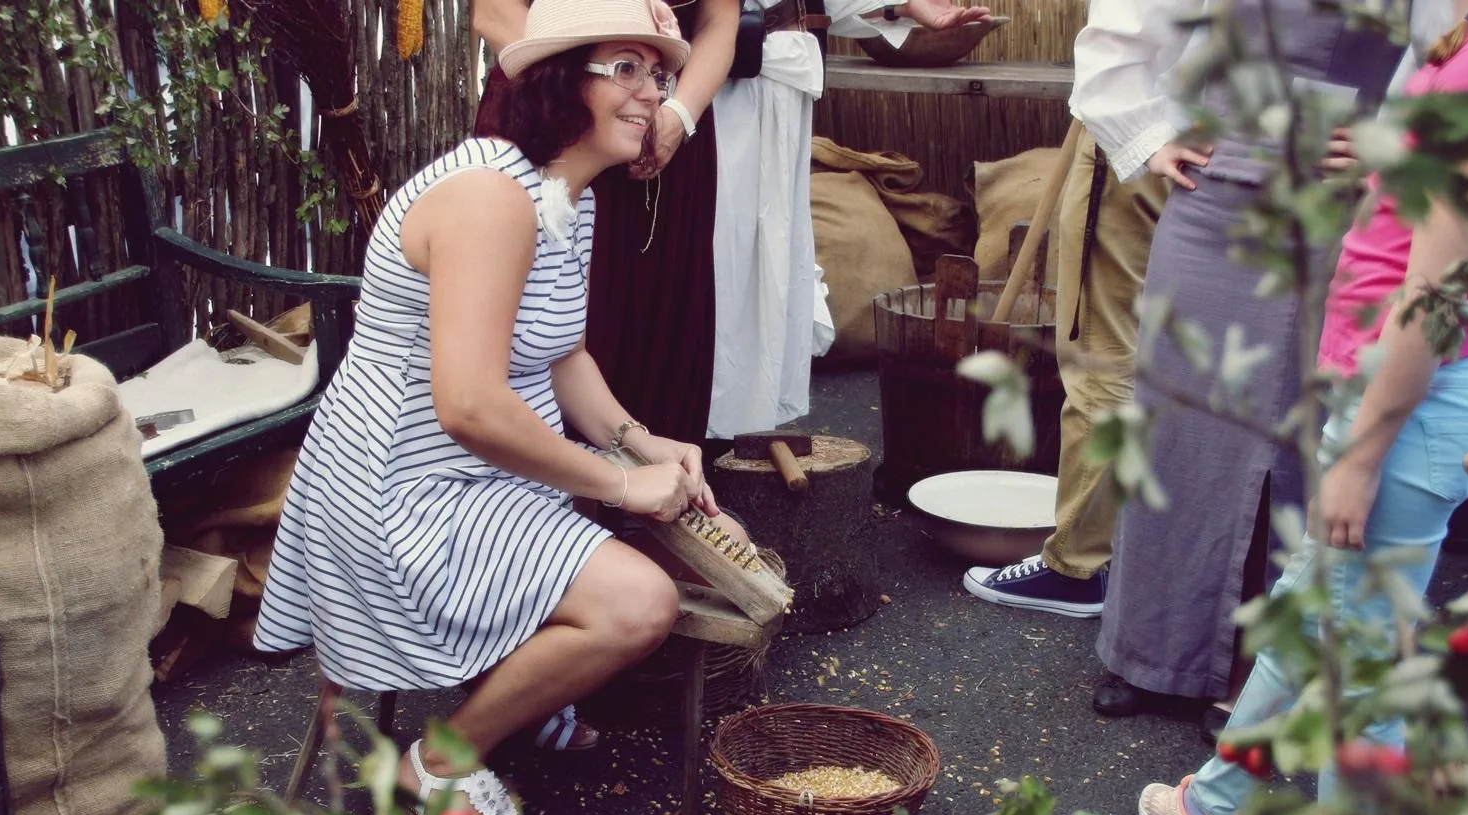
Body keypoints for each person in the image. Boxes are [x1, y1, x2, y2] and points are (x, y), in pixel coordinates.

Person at [254, 0, 739, 815]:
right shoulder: (488, 197)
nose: (652, 94)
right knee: (638, 603)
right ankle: (440, 764)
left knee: (597, 534)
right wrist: (624, 485)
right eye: (625, 68)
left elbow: (563, 361)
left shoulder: (564, 196)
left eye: (658, 75)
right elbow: (471, 407)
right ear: (560, 80)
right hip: (397, 490)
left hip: (469, 473)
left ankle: (517, 700)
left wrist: (640, 441)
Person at [1137, 0, 1468, 815]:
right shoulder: (1464, 36)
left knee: (1359, 670)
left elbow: (1435, 296)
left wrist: (1364, 453)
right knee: (1317, 599)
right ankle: (1216, 802)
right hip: (1410, 389)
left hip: (1412, 397)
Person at [1046, 0, 1403, 729]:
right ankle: (1147, 653)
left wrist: (1391, 140)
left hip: (1342, 208)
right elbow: (1126, 25)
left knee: (1296, 437)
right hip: (1215, 198)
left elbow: (1455, 62)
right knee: (1179, 426)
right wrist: (1150, 134)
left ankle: (1259, 671)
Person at [960, 0, 1170, 622]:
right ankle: (1160, 553)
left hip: (1147, 133)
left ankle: (1077, 565)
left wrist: (1128, 127)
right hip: (1258, 149)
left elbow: (1129, 29)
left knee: (1107, 353)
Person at [705, 0, 991, 441]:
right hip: (727, 84)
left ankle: (750, 424)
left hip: (782, 72)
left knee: (772, 252)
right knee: (729, 247)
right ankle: (708, 425)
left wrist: (904, 6)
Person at [474, 0, 737, 452]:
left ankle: (645, 479)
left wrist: (673, 114)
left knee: (631, 326)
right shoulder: (486, 193)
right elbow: (493, 11)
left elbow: (719, 19)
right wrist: (580, 91)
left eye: (650, 75)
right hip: (559, 91)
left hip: (661, 126)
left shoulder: (652, 97)